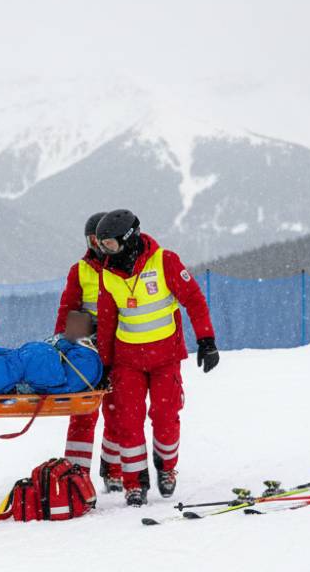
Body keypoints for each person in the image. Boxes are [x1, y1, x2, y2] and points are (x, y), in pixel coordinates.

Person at [94, 209, 219, 506]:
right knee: (129, 421)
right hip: (127, 361)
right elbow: (107, 321)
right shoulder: (108, 274)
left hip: (165, 358)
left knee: (165, 417)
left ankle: (166, 468)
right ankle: (134, 483)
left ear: (130, 238)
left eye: (110, 244)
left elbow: (194, 300)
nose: (106, 251)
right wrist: (105, 362)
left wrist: (207, 340)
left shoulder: (165, 262)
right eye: (102, 246)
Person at [55, 212, 123, 492]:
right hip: (86, 347)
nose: (97, 244)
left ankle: (114, 468)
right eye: (91, 239)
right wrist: (64, 345)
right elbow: (68, 309)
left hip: (119, 344)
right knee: (83, 412)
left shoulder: (123, 265)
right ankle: (76, 472)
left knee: (118, 410)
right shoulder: (80, 270)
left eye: (101, 238)